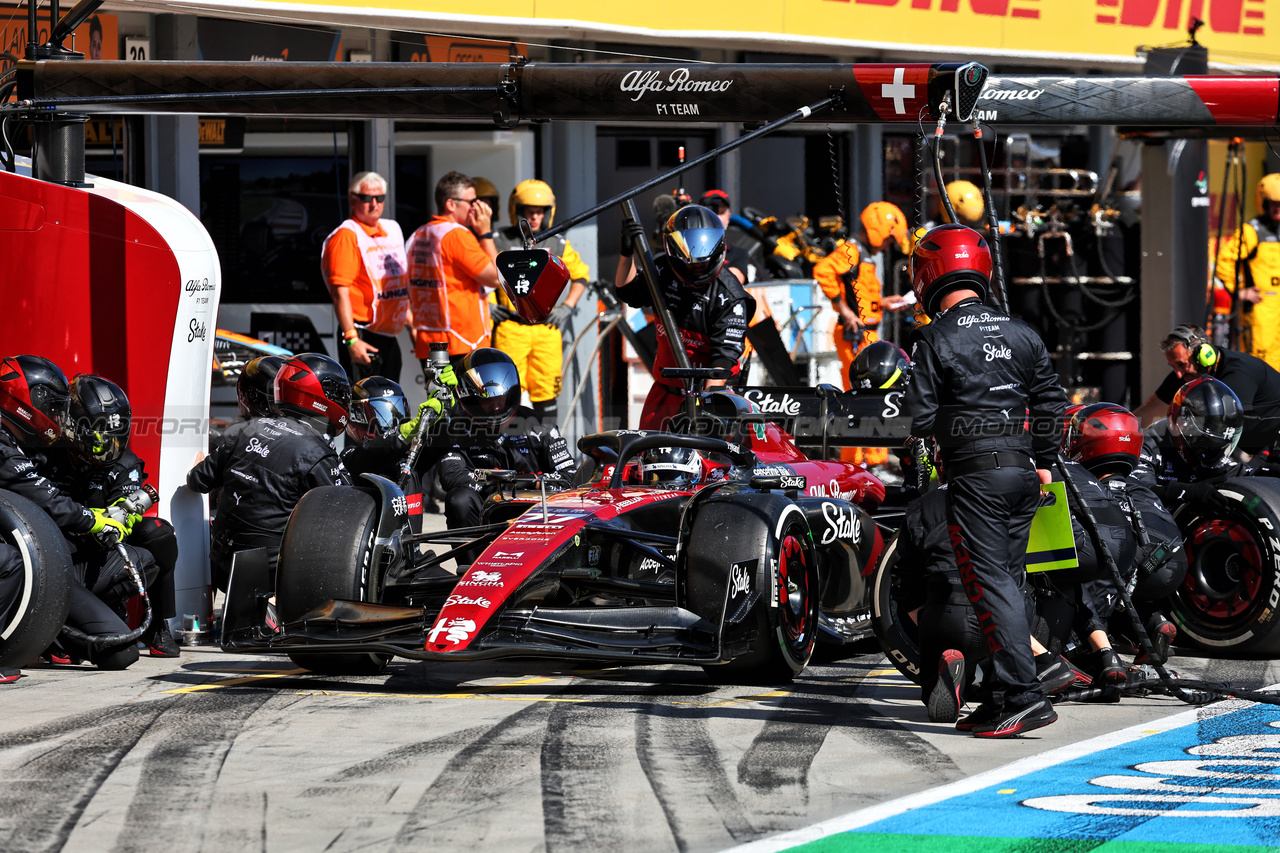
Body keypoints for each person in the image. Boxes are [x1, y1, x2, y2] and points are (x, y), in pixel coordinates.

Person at [904, 224, 1068, 738]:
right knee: (1010, 584)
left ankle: (1024, 695)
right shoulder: (1022, 332)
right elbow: (1052, 402)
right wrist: (1042, 459)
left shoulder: (935, 337)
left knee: (987, 583)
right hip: (1023, 475)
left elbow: (918, 415)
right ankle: (1000, 695)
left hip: (977, 478)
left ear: (927, 274)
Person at [0, 356, 157, 670]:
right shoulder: (26, 447)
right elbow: (48, 499)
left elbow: (127, 508)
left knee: (122, 651)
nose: (58, 417)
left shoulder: (21, 439)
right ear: (25, 403)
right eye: (54, 407)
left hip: (59, 561)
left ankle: (52, 639)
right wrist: (93, 519)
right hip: (34, 560)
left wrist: (117, 519)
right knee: (10, 564)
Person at [34, 374, 180, 657]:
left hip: (101, 543)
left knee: (160, 532)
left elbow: (123, 516)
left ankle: (158, 625)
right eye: (101, 435)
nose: (109, 446)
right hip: (55, 542)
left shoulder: (126, 463)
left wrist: (100, 520)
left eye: (116, 435)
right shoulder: (47, 454)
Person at [187, 353, 354, 592]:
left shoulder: (244, 429)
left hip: (224, 567)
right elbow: (347, 516)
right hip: (277, 578)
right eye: (337, 394)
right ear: (316, 396)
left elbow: (196, 480)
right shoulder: (319, 454)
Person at [613, 205, 755, 430]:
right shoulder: (663, 269)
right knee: (647, 459)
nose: (698, 266)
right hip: (663, 395)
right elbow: (628, 292)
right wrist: (626, 253)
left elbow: (722, 361)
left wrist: (706, 410)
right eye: (690, 260)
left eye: (704, 260)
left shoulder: (731, 297)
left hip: (711, 397)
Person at [1066, 403, 1185, 667]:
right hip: (1172, 562)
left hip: (1128, 559)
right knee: (1129, 591)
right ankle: (1155, 620)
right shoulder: (1140, 486)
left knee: (1085, 577)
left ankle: (1100, 651)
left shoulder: (1090, 486)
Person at [435, 349, 575, 540]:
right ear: (472, 396)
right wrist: (500, 488)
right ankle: (471, 569)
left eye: (501, 396)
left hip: (534, 517)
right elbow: (451, 475)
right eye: (488, 398)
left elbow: (569, 478)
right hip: (486, 516)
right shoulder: (456, 429)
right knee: (459, 500)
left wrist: (526, 483)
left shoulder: (539, 425)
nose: (497, 406)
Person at [815, 202, 910, 469]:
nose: (889, 245)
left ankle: (874, 460)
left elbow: (861, 294)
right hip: (855, 335)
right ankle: (855, 463)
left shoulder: (863, 254)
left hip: (866, 334)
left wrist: (883, 302)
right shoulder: (851, 250)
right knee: (859, 399)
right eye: (890, 239)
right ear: (880, 230)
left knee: (873, 398)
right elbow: (822, 271)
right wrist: (844, 311)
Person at [492, 179, 591, 423]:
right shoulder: (499, 241)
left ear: (548, 212)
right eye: (529, 212)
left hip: (546, 330)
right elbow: (478, 273)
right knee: (505, 391)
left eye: (539, 212)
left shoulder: (557, 242)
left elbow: (580, 276)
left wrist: (567, 307)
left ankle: (548, 446)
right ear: (517, 211)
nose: (534, 217)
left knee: (546, 395)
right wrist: (486, 304)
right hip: (511, 328)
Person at [406, 171, 501, 374]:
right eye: (472, 202)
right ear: (451, 204)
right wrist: (485, 233)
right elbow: (497, 276)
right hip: (463, 342)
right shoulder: (457, 235)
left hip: (430, 342)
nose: (476, 208)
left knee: (440, 402)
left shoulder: (417, 235)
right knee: (465, 405)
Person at [321, 171, 410, 384]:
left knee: (391, 405)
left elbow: (398, 288)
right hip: (361, 334)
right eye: (368, 198)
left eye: (380, 198)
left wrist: (413, 326)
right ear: (353, 198)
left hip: (388, 336)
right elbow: (339, 293)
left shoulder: (391, 229)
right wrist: (351, 339)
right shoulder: (346, 235)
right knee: (365, 407)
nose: (374, 204)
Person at [1134, 324, 1280, 452]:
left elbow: (1219, 427)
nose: (1178, 374)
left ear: (1203, 354)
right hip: (1254, 445)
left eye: (1181, 364)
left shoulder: (1239, 373)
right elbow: (1152, 408)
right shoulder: (1187, 372)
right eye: (1173, 367)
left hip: (1272, 442)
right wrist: (1122, 429)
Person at [340, 373, 454, 534]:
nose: (393, 421)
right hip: (368, 554)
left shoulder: (412, 456)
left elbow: (446, 440)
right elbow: (371, 450)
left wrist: (450, 405)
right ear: (358, 416)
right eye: (381, 414)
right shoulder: (350, 457)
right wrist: (404, 433)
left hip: (410, 554)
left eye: (398, 410)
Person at [1132, 376, 1246, 507]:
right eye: (1205, 444)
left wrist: (1266, 472)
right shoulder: (1146, 445)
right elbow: (1137, 489)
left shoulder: (1215, 457)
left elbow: (1241, 472)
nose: (1210, 453)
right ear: (1182, 424)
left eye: (1218, 447)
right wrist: (1187, 492)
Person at [1214, 174, 1280, 370]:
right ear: (1263, 203)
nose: (1278, 208)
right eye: (1273, 203)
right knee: (1262, 364)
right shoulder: (1252, 231)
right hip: (1261, 311)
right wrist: (1239, 292)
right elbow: (1224, 261)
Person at [698, 189, 752, 284]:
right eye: (712, 213)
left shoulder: (739, 253)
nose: (716, 218)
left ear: (728, 217)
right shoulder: (689, 247)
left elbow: (733, 283)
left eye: (721, 212)